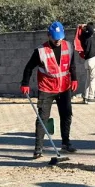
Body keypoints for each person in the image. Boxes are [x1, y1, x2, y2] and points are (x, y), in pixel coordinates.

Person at [21, 21, 78, 159]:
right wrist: (25, 83)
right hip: (47, 89)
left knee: (66, 115)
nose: (58, 40)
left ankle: (66, 143)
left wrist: (74, 79)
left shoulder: (69, 46)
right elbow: (28, 68)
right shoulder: (40, 51)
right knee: (42, 118)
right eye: (54, 37)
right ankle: (38, 148)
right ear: (48, 36)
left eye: (60, 37)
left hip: (64, 88)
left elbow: (72, 65)